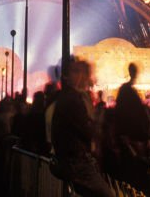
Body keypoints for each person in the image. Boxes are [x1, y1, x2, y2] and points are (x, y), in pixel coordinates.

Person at [51, 58, 113, 197]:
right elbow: (86, 130)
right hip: (75, 162)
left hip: (67, 160)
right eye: (75, 71)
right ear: (66, 76)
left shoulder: (65, 97)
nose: (80, 76)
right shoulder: (73, 98)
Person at [114, 63, 150, 187]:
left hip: (131, 139)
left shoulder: (126, 91)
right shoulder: (128, 91)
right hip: (131, 140)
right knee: (133, 174)